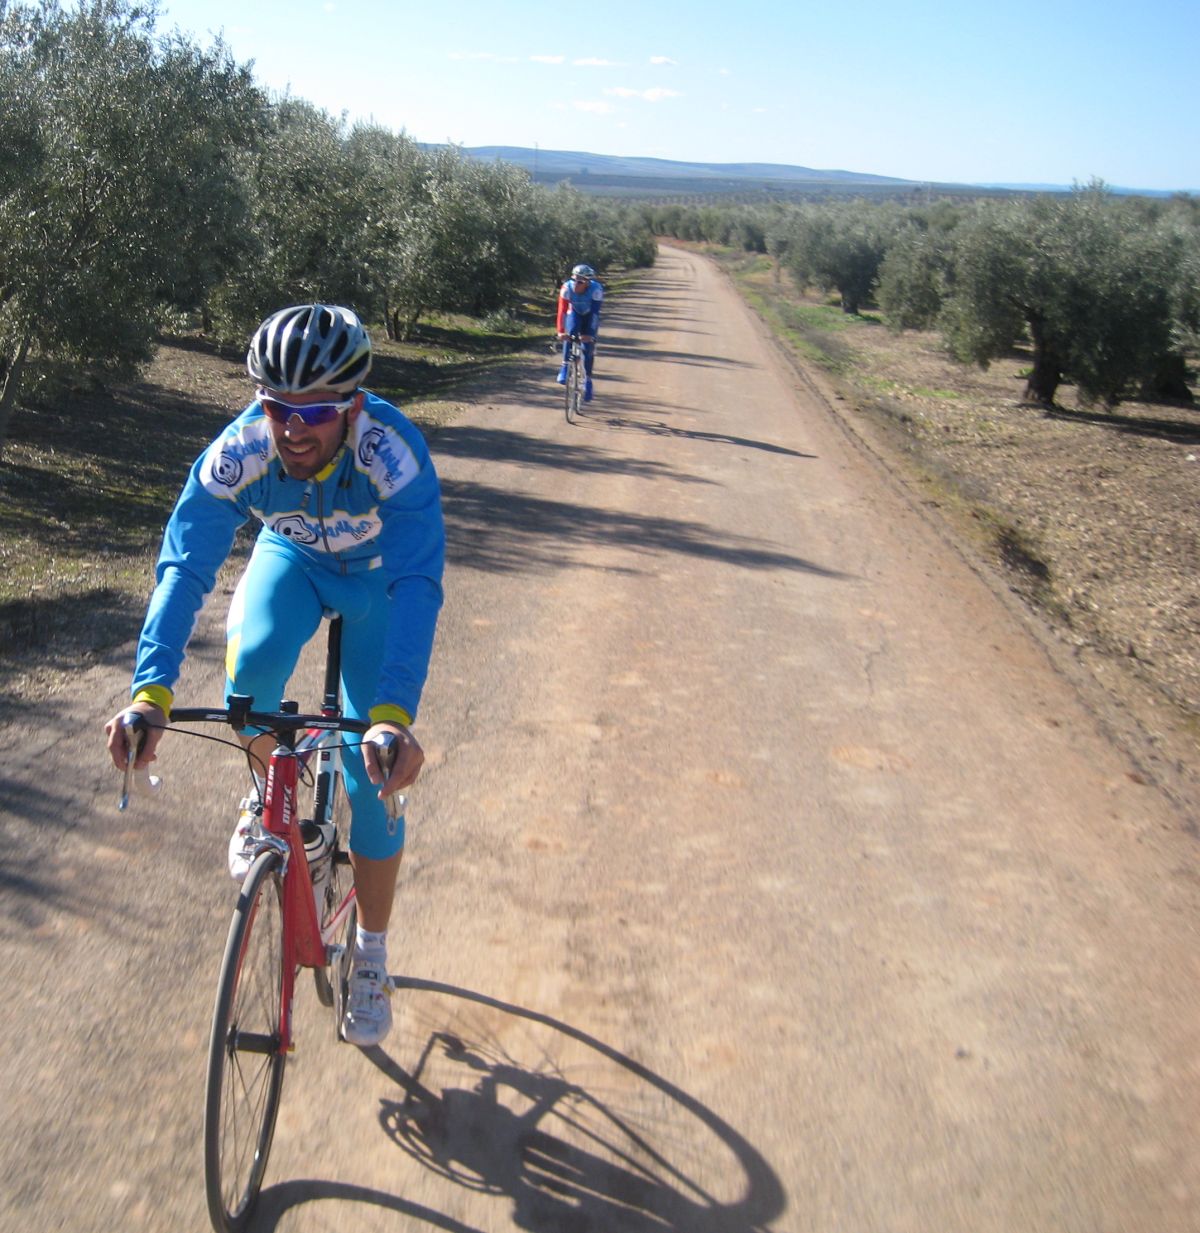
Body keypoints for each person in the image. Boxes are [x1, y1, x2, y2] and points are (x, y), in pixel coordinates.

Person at [104, 303, 445, 1047]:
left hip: (380, 583)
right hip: (292, 561)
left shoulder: (391, 451)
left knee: (372, 778)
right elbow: (183, 566)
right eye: (276, 406)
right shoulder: (242, 451)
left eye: (315, 411)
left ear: (352, 405)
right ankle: (270, 798)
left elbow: (419, 582)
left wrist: (392, 714)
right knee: (251, 672)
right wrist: (150, 692)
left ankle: (371, 954)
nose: (293, 428)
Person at [556, 263, 604, 401]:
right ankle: (565, 365)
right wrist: (561, 332)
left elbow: (595, 313)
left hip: (589, 315)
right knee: (570, 333)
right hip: (575, 312)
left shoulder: (596, 290)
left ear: (588, 282)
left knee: (588, 348)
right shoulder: (566, 288)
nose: (576, 284)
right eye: (574, 280)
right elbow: (562, 311)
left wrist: (590, 335)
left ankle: (588, 380)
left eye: (580, 282)